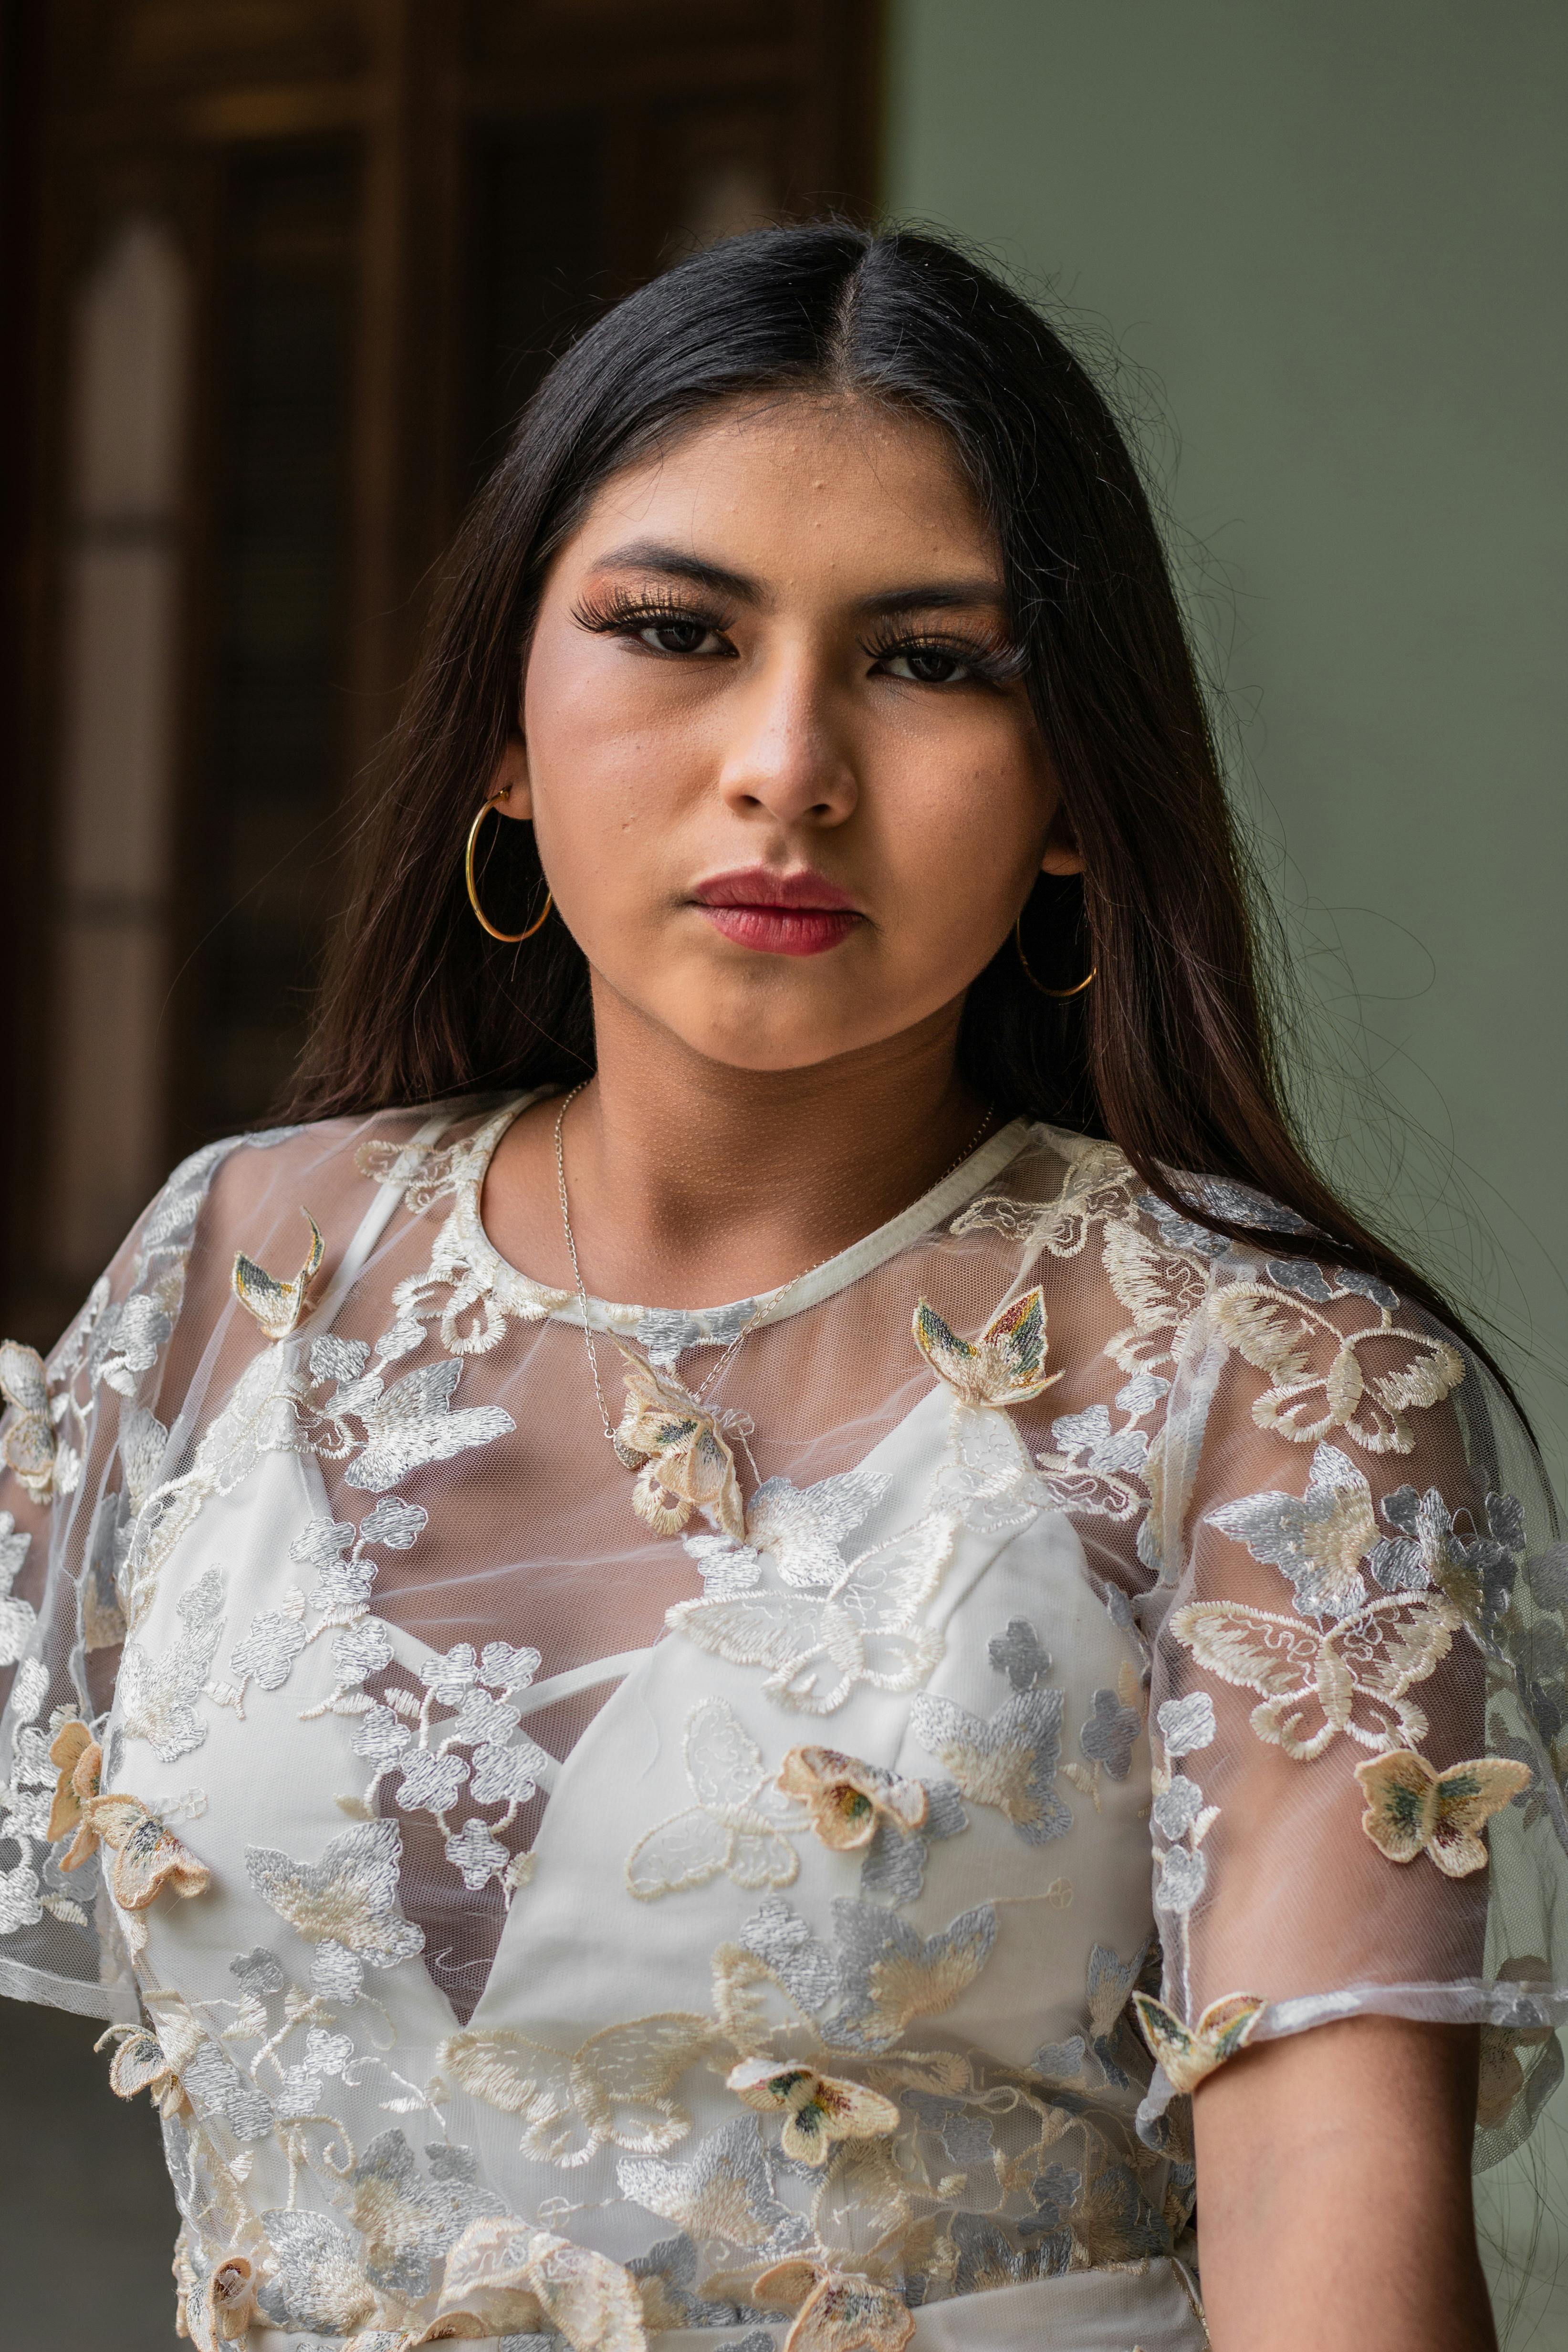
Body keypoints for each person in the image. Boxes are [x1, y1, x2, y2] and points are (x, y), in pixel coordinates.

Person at [0, 224, 1562, 2352]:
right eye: (674, 631)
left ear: (1081, 795)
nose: (786, 767)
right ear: (503, 740)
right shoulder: (241, 1269)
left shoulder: (1266, 1380)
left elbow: (1329, 2223)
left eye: (933, 661)